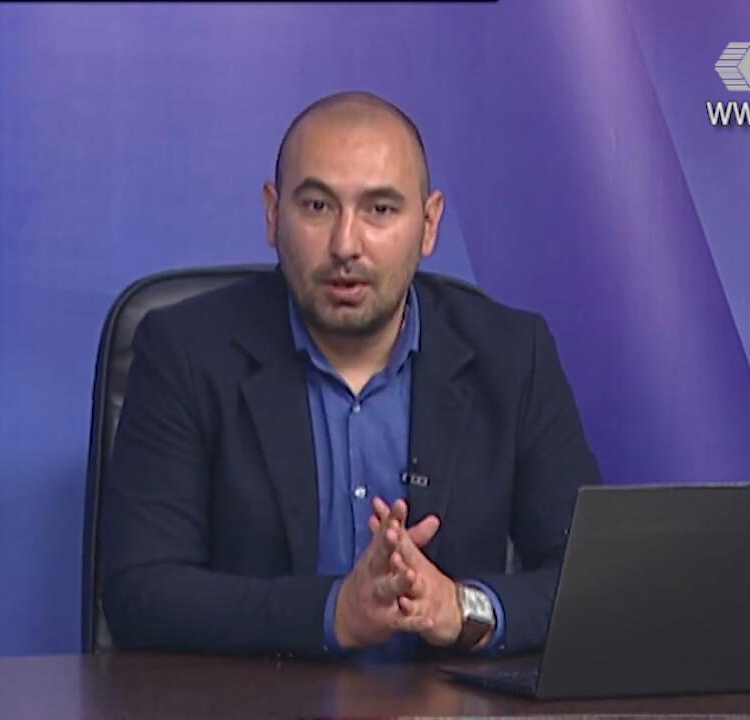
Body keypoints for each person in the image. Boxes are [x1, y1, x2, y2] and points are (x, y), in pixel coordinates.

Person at [100, 90, 600, 660]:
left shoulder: (511, 356)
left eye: (380, 210)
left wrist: (461, 608)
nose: (345, 245)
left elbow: (590, 579)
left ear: (428, 224)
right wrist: (332, 612)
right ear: (273, 214)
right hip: (257, 699)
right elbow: (141, 593)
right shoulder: (186, 352)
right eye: (317, 206)